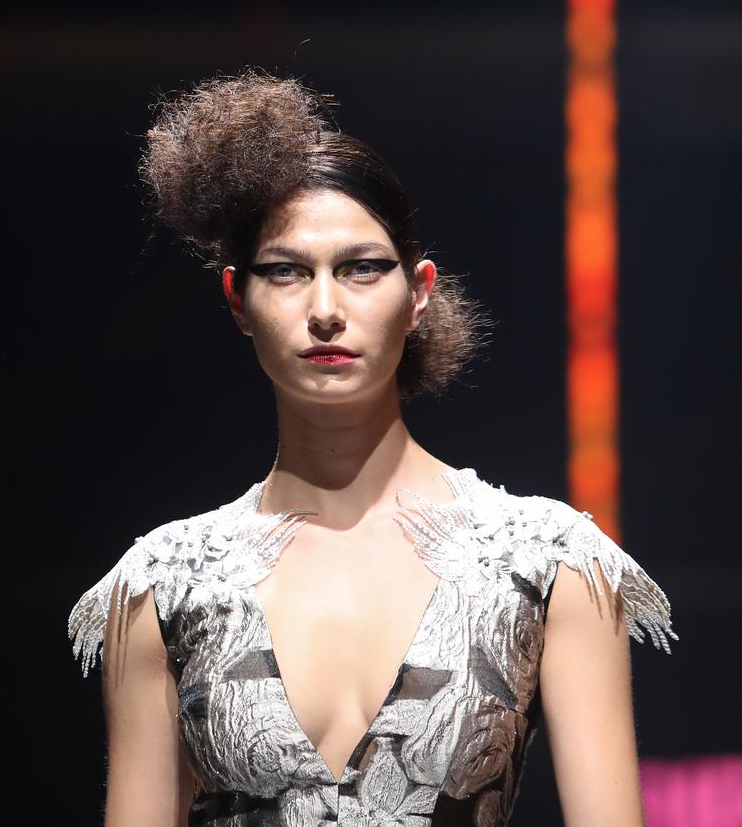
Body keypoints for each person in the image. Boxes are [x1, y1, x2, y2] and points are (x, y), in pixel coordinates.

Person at [67, 71, 676, 826]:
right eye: (286, 272)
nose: (325, 309)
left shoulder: (550, 564)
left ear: (418, 292)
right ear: (237, 300)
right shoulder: (163, 586)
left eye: (361, 269)